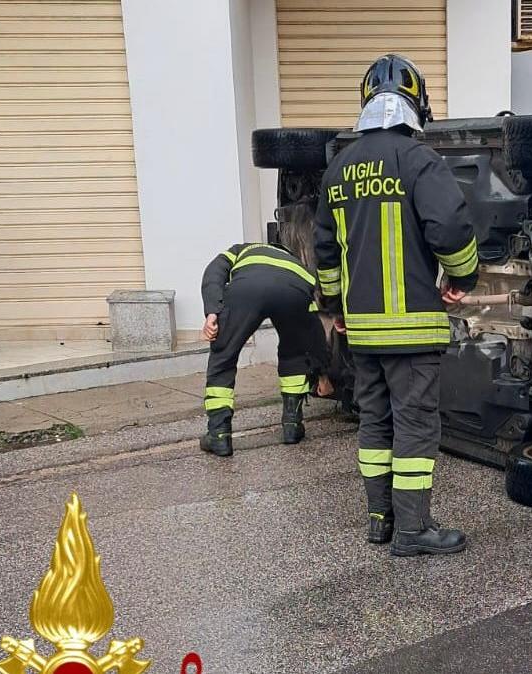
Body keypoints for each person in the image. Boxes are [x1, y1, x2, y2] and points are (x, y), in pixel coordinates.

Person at [314, 53, 479, 556]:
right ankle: (413, 530)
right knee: (415, 424)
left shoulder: (339, 169)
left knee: (375, 421)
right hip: (412, 331)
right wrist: (462, 275)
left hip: (362, 332)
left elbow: (326, 251)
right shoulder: (419, 160)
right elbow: (449, 227)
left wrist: (336, 305)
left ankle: (379, 519)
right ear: (416, 104)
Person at [200, 241, 331, 456]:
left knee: (223, 357)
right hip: (293, 293)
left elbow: (213, 273)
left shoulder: (240, 250)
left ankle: (219, 435)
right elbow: (313, 331)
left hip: (246, 289)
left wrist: (212, 311)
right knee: (296, 353)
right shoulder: (298, 266)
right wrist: (323, 373)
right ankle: (292, 426)